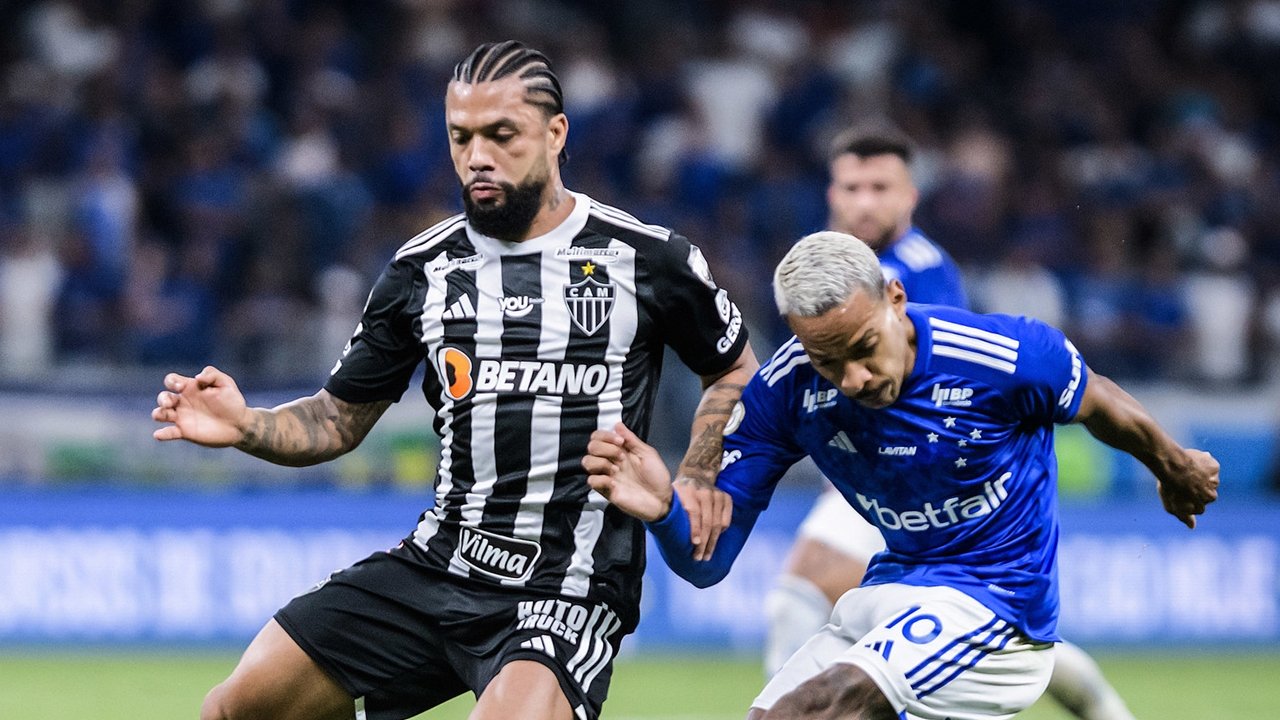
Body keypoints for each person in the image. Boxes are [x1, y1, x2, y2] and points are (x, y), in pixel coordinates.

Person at [153, 40, 756, 720]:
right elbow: (335, 420)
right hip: (438, 563)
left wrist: (700, 470)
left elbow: (732, 367)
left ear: (556, 134)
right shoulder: (423, 269)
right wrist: (246, 426)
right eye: (460, 136)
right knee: (235, 709)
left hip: (569, 586)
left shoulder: (647, 259)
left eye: (501, 135)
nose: (477, 156)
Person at [583, 231, 1218, 720]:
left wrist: (1174, 464)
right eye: (828, 361)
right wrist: (667, 509)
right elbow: (707, 563)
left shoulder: (1001, 356)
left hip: (999, 607)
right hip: (893, 591)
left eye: (864, 348)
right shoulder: (786, 392)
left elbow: (1098, 398)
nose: (853, 379)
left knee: (825, 706)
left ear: (895, 298)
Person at [769, 126, 1136, 719]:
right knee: (903, 617)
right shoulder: (824, 276)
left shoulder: (918, 269)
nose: (864, 201)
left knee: (811, 596)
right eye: (851, 187)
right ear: (831, 196)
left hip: (914, 469)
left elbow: (942, 392)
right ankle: (1099, 704)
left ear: (909, 196)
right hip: (870, 472)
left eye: (880, 187)